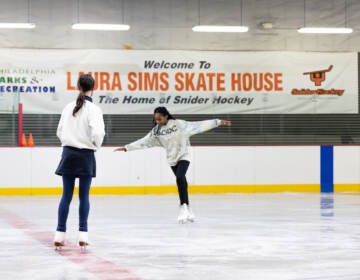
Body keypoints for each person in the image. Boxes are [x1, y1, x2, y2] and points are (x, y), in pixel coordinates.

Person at [114, 106, 231, 223]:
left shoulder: (179, 124)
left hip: (184, 155)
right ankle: (188, 208)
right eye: (155, 120)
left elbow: (197, 126)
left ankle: (183, 206)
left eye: (159, 119)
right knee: (182, 180)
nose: (157, 122)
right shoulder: (156, 131)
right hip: (172, 158)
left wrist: (218, 122)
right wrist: (126, 148)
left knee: (180, 177)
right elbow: (144, 141)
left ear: (166, 116)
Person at [54, 74, 105, 248]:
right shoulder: (94, 109)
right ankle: (83, 235)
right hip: (85, 156)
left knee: (66, 196)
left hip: (68, 154)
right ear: (94, 88)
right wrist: (94, 146)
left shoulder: (68, 107)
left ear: (78, 86)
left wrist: (68, 144)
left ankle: (59, 235)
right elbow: (98, 134)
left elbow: (60, 131)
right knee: (84, 196)